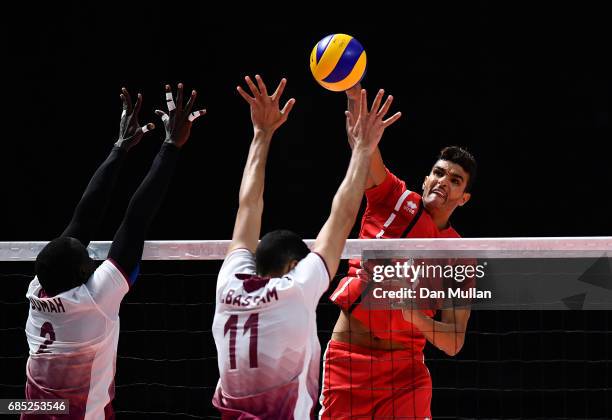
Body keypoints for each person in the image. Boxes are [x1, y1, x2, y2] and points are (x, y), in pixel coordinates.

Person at [211, 75, 400, 419]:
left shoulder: (229, 283)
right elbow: (341, 217)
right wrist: (362, 148)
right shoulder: (295, 289)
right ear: (290, 267)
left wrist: (260, 134)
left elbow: (248, 206)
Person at [22, 84, 205, 419]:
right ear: (82, 274)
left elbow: (83, 219)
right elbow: (135, 220)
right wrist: (170, 146)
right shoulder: (91, 299)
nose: (93, 257)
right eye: (88, 258)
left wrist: (119, 149)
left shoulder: (39, 290)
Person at [319, 83, 478, 419]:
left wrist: (415, 317)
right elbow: (366, 150)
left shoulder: (462, 254)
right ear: (425, 179)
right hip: (350, 360)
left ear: (463, 198)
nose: (443, 182)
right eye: (438, 173)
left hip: (406, 372)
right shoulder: (393, 196)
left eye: (455, 180)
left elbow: (454, 342)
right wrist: (352, 92)